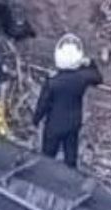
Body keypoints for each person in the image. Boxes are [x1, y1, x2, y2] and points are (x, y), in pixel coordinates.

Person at [33, 34, 103, 169]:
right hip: (73, 123)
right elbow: (98, 78)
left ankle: (45, 176)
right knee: (71, 158)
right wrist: (90, 63)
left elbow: (43, 104)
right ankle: (71, 179)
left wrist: (36, 120)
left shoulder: (53, 82)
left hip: (53, 126)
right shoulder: (82, 78)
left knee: (47, 157)